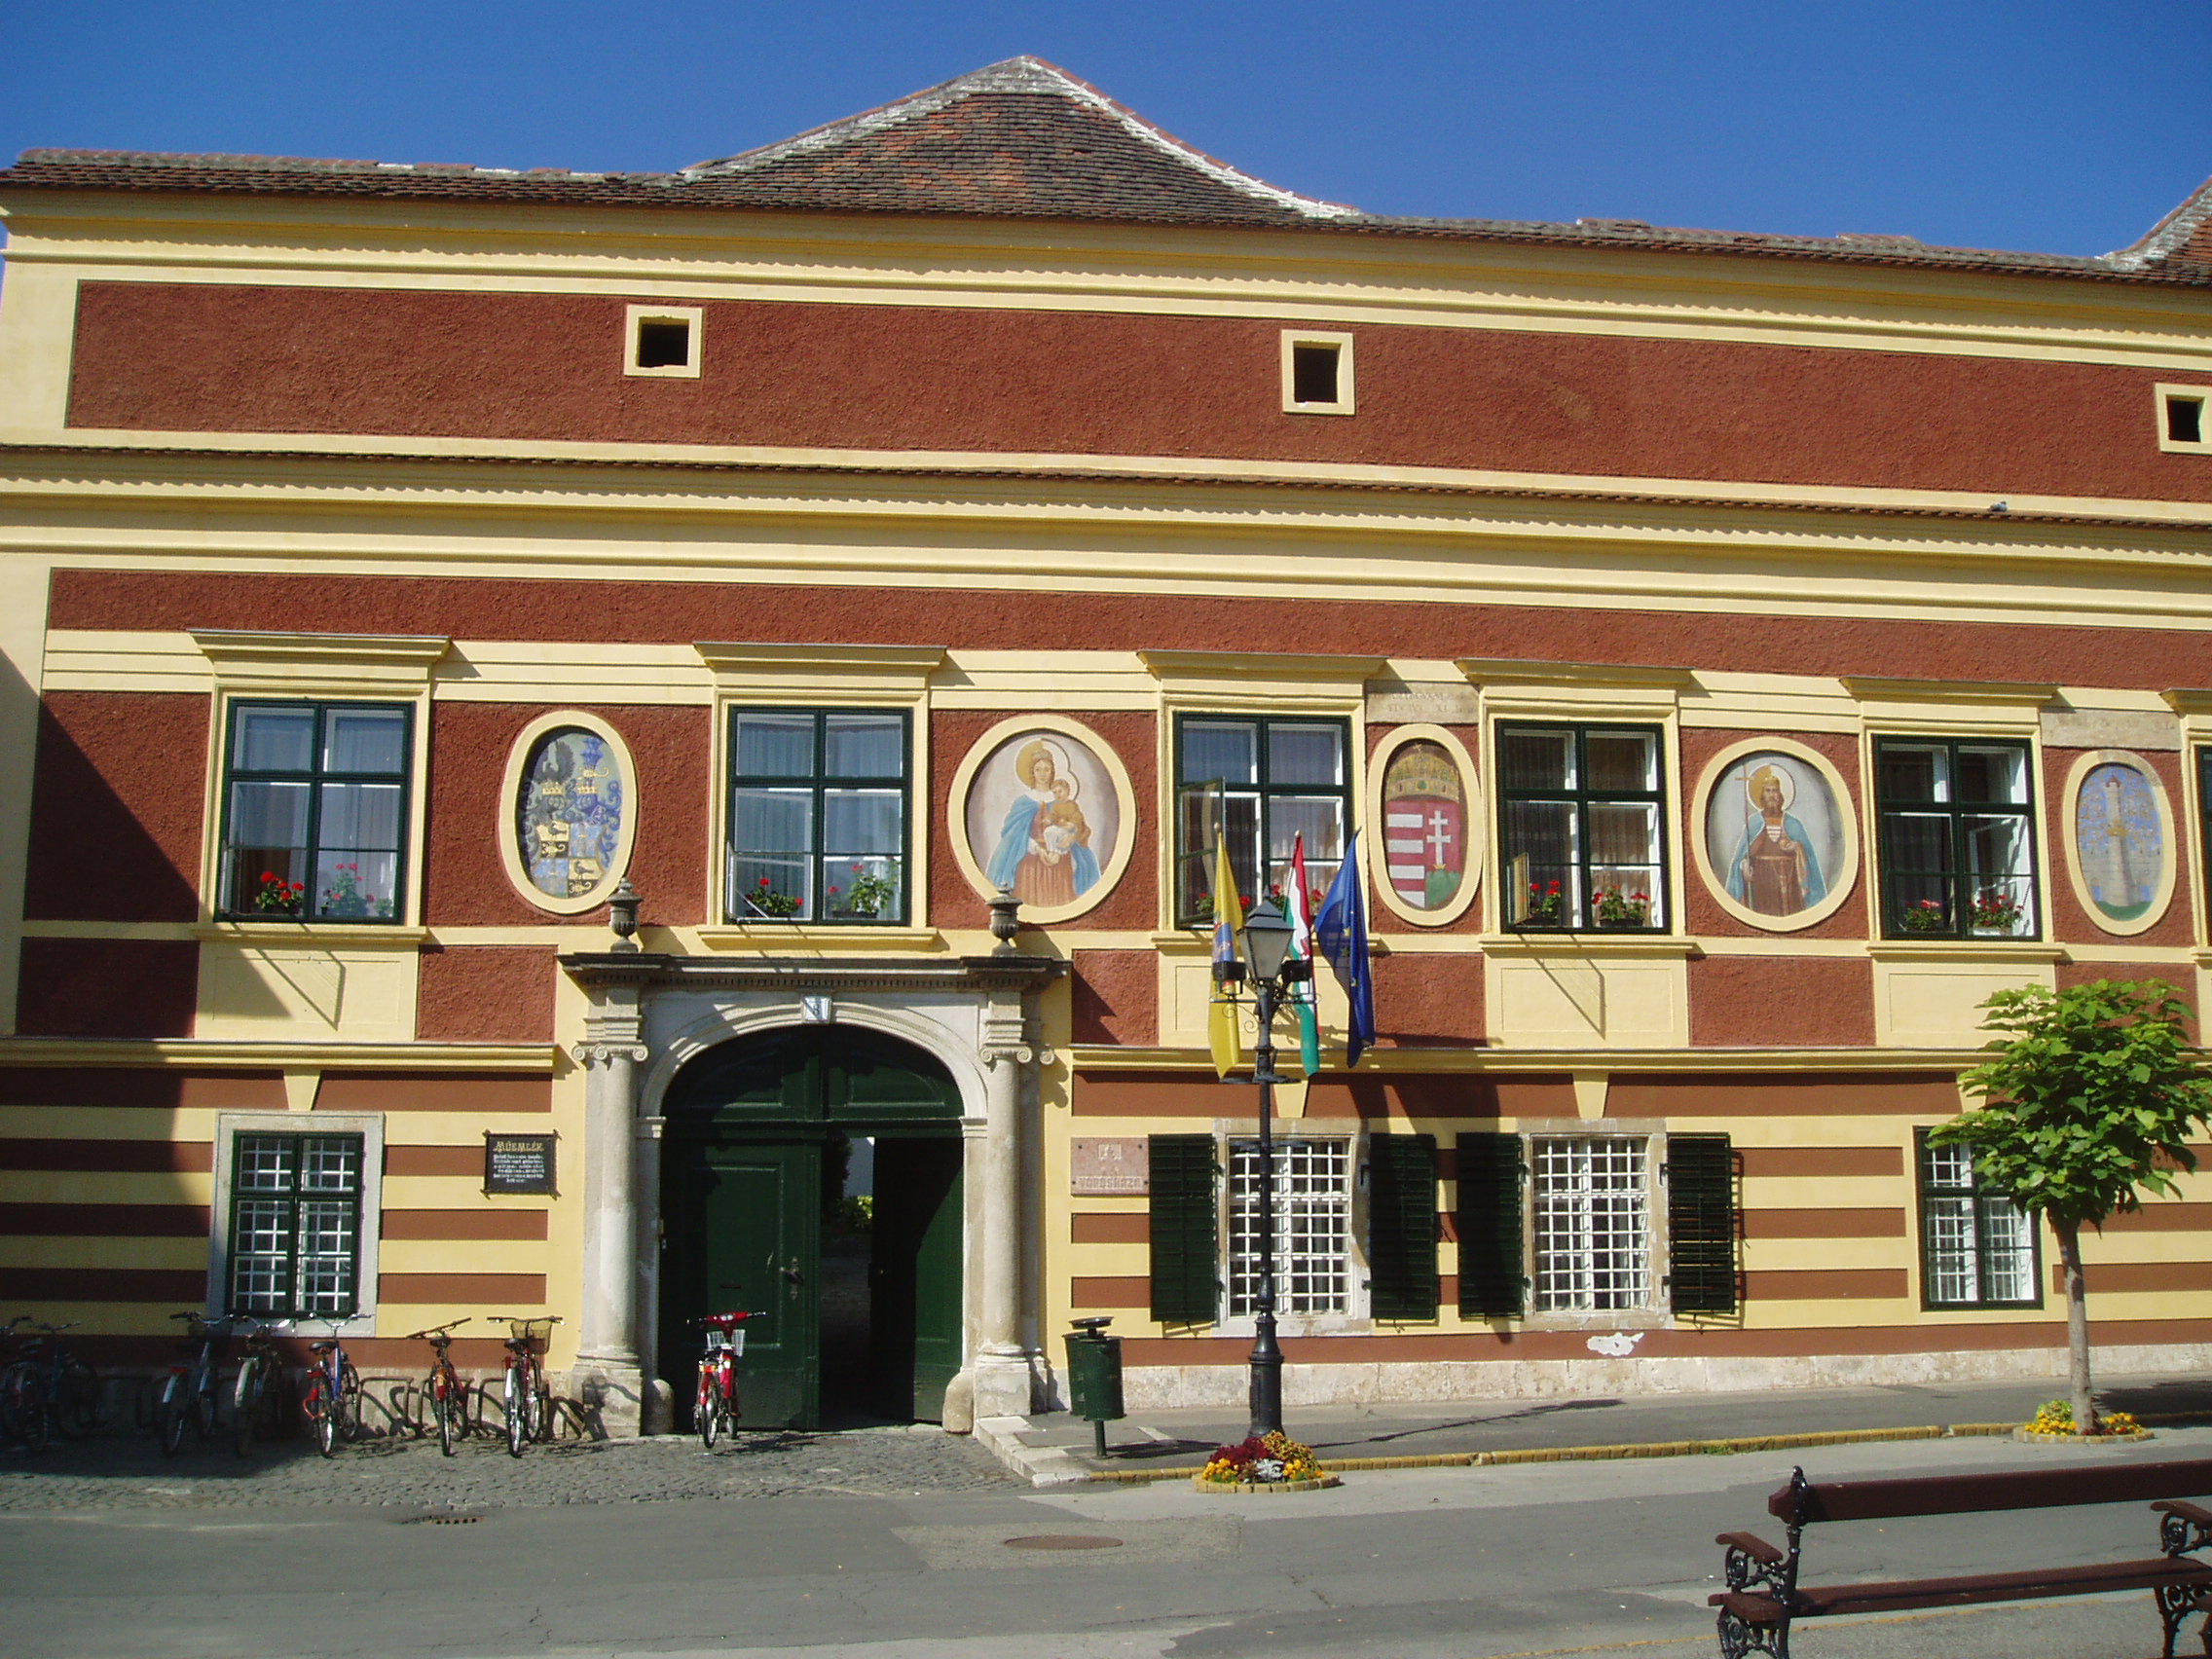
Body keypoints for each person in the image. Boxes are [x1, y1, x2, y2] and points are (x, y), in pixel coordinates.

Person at [984, 741, 1100, 904]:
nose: (1042, 774)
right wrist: (1038, 849)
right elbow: (1014, 836)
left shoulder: (1063, 801)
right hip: (1030, 864)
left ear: (1053, 771)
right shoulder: (1023, 802)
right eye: (1038, 769)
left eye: (1047, 769)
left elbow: (1079, 828)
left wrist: (1063, 847)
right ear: (1032, 772)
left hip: (1060, 862)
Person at [1727, 764, 1825, 915]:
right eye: (1768, 791)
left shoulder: (1793, 823)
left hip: (1790, 883)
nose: (1772, 795)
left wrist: (1797, 847)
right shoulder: (1754, 823)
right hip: (1761, 884)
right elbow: (1741, 856)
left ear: (1780, 794)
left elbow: (1809, 858)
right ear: (1762, 795)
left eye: (1775, 791)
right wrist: (1744, 865)